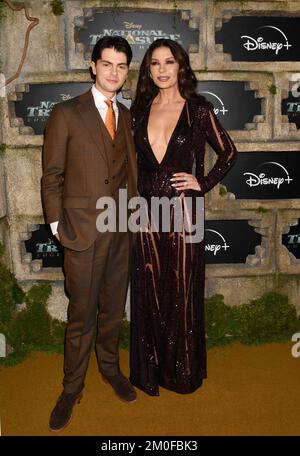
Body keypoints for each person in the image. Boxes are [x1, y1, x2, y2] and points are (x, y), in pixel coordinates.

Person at [129, 38, 237, 396]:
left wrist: (201, 183)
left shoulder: (198, 110)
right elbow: (129, 164)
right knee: (148, 290)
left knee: (182, 290)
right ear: (148, 70)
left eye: (169, 62)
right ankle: (151, 371)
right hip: (145, 212)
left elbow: (229, 153)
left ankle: (182, 372)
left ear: (181, 67)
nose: (162, 69)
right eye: (155, 63)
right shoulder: (138, 111)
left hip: (183, 212)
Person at [41, 36, 137, 432]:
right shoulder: (66, 113)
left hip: (121, 231)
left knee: (113, 310)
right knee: (81, 316)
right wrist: (56, 226)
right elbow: (52, 177)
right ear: (93, 66)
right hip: (81, 233)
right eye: (107, 64)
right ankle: (71, 388)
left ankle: (111, 369)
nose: (114, 72)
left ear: (126, 71)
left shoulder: (128, 115)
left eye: (122, 66)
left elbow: (129, 172)